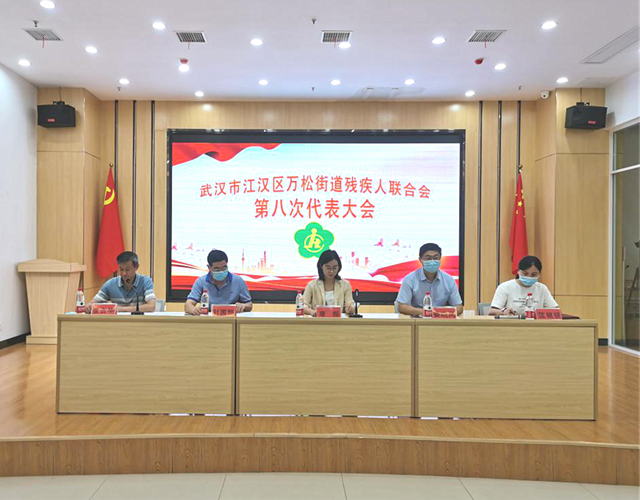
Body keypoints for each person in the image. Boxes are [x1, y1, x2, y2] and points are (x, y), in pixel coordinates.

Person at [396, 242, 463, 316]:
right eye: (428, 258)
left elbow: (459, 307)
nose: (432, 261)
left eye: (436, 258)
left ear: (440, 259)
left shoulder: (449, 280)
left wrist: (441, 313)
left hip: (441, 318)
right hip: (417, 319)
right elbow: (402, 307)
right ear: (420, 260)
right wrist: (426, 312)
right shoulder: (410, 279)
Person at [185, 249, 253, 315]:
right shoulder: (201, 281)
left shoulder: (238, 280)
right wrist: (194, 310)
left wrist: (243, 306)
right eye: (217, 269)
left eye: (224, 268)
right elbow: (188, 305)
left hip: (231, 318)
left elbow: (249, 305)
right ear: (209, 267)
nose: (221, 271)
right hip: (210, 319)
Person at [86, 251, 156, 313]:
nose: (124, 273)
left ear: (136, 267)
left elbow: (151, 306)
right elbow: (92, 303)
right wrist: (88, 306)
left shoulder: (145, 281)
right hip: (117, 322)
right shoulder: (110, 284)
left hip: (139, 322)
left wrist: (120, 309)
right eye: (121, 269)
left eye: (127, 270)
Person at [489, 255, 558, 316]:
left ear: (539, 274)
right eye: (525, 273)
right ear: (518, 271)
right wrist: (504, 312)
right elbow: (492, 311)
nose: (529, 277)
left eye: (533, 274)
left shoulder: (542, 288)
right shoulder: (505, 287)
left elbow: (556, 311)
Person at [303, 249, 356, 316]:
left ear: (339, 267)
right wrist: (313, 312)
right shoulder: (312, 285)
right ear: (321, 266)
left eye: (334, 268)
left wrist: (350, 309)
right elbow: (303, 306)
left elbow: (350, 304)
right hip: (318, 321)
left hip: (339, 321)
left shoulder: (345, 285)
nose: (331, 271)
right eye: (328, 268)